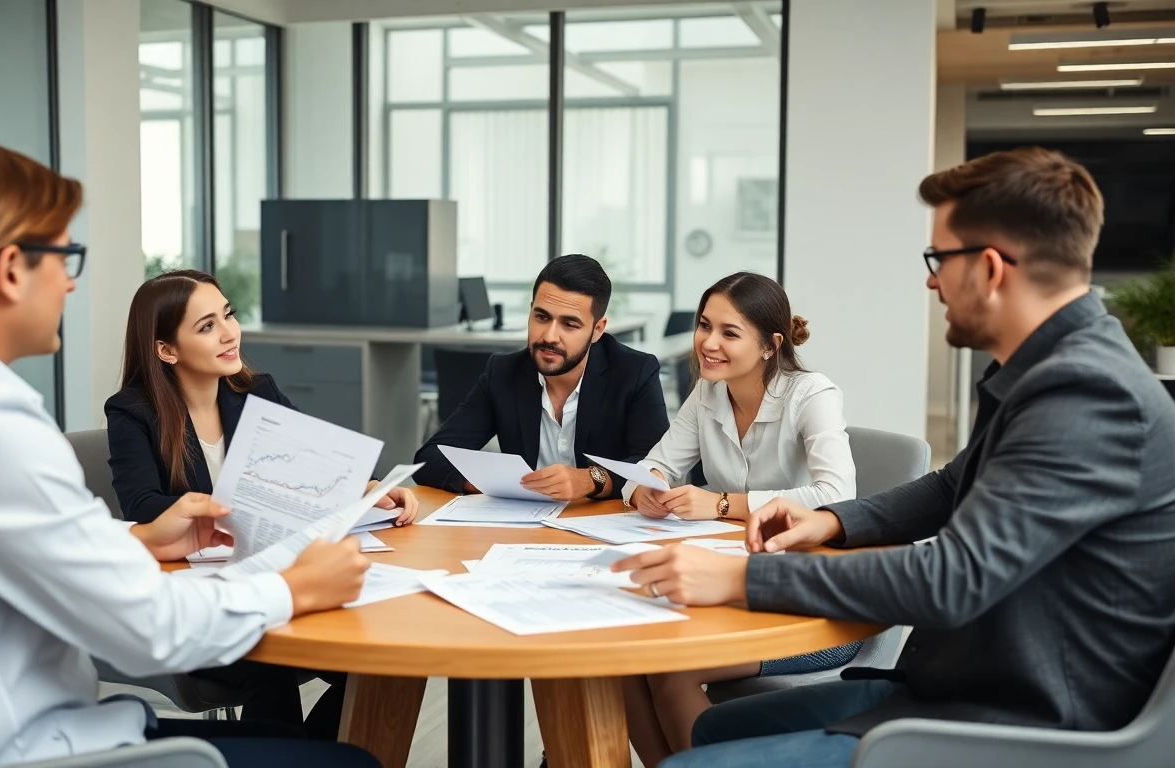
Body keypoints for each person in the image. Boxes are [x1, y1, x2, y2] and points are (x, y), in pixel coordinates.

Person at [611, 147, 1175, 768]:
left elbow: (953, 578)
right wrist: (831, 521)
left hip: (1021, 720)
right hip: (956, 685)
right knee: (714, 732)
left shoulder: (1087, 394)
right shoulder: (1045, 371)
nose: (931, 280)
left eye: (938, 259)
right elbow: (943, 490)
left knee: (690, 761)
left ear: (989, 268)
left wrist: (743, 577)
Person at [0, 138, 378, 768]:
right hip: (26, 752)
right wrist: (292, 587)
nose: (68, 279)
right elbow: (150, 633)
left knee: (305, 745)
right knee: (348, 760)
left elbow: (4, 541)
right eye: (65, 255)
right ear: (12, 269)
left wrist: (142, 540)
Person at [104, 269, 416, 739]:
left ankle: (311, 754)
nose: (230, 332)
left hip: (275, 574)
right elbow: (143, 505)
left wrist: (367, 489)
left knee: (382, 661)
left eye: (227, 315)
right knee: (270, 658)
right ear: (166, 350)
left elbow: (310, 471)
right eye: (206, 326)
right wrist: (244, 502)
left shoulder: (256, 392)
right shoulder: (132, 412)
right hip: (204, 597)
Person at [619, 272, 859, 766]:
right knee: (627, 661)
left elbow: (838, 495)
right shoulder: (709, 393)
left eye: (729, 333)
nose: (708, 343)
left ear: (772, 345)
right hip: (733, 584)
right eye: (704, 326)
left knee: (670, 669)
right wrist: (644, 488)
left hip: (813, 612)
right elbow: (655, 466)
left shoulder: (810, 394)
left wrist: (722, 503)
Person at [414, 254, 669, 500]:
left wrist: (591, 480)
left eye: (569, 324)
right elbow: (430, 457)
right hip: (523, 528)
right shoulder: (504, 373)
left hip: (603, 525)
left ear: (597, 330)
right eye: (541, 317)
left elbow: (656, 464)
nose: (549, 336)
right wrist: (490, 481)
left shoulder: (634, 372)